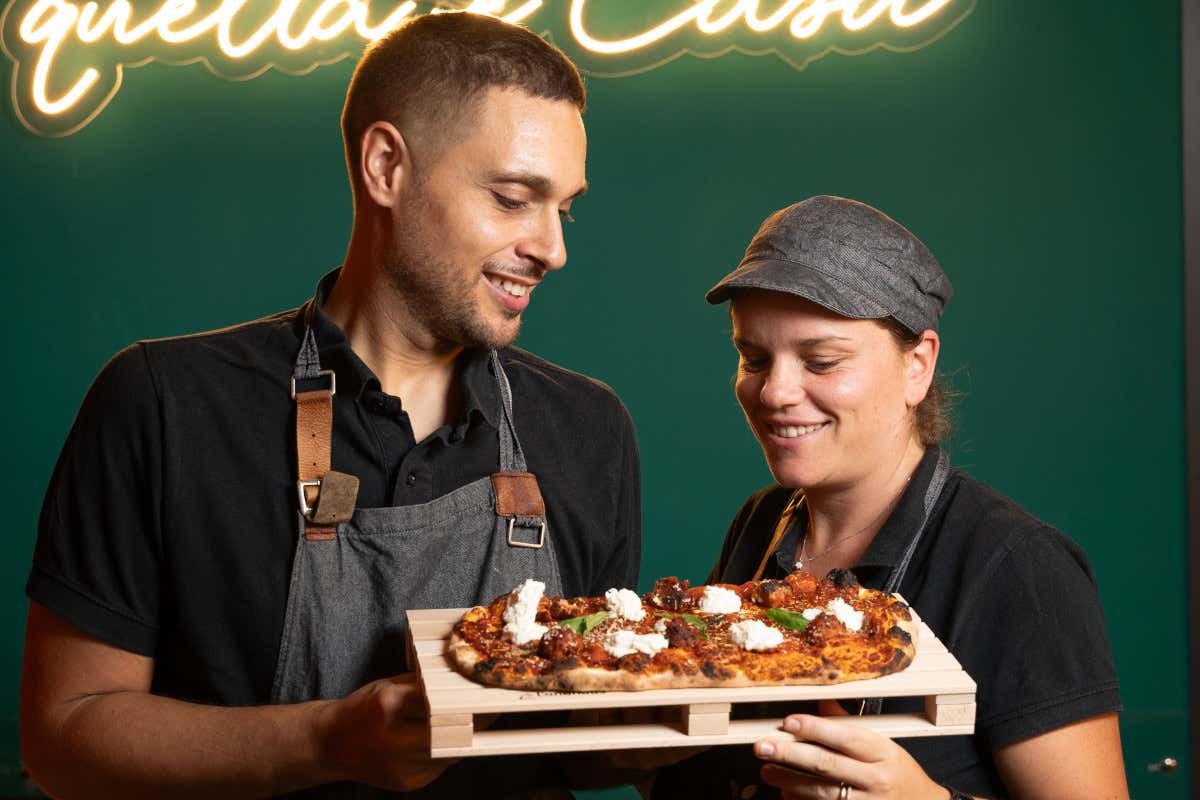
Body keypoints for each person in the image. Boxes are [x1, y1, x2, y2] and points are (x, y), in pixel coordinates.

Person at [20, 12, 640, 799]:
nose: (553, 248)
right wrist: (329, 741)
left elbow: (580, 746)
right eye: (514, 198)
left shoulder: (589, 429)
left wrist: (683, 731)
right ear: (386, 166)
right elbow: (63, 737)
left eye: (566, 209)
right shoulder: (164, 402)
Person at [652, 196, 1126, 800]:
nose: (774, 392)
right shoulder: (762, 523)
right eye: (754, 357)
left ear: (917, 366)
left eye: (821, 360)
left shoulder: (1018, 566)